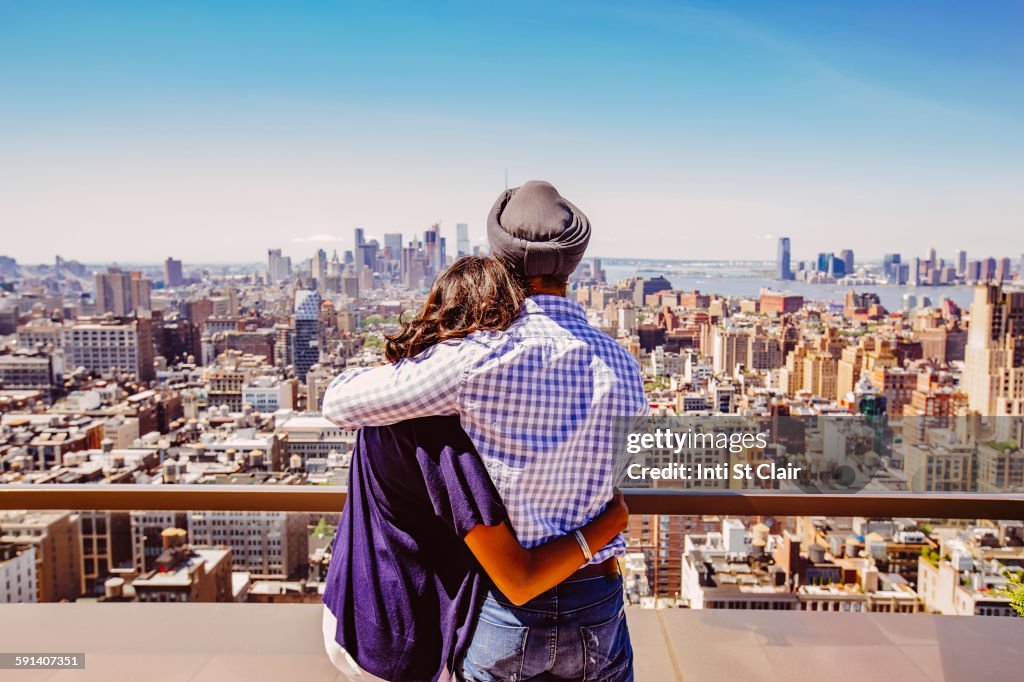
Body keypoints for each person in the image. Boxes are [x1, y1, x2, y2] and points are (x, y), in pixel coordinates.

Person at [324, 181, 647, 681]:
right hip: (598, 598)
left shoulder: (477, 358)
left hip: (510, 608)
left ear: (500, 263)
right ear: (575, 265)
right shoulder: (624, 367)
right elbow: (615, 483)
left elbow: (339, 404)